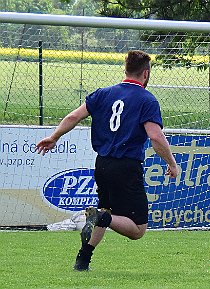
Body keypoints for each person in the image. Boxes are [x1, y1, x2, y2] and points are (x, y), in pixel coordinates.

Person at [36, 50, 179, 271]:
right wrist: (172, 162)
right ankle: (102, 217)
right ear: (146, 73)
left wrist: (54, 137)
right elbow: (155, 136)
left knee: (106, 210)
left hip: (102, 164)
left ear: (125, 70)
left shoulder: (103, 94)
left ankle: (83, 259)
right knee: (138, 229)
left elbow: (74, 116)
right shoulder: (147, 100)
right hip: (127, 166)